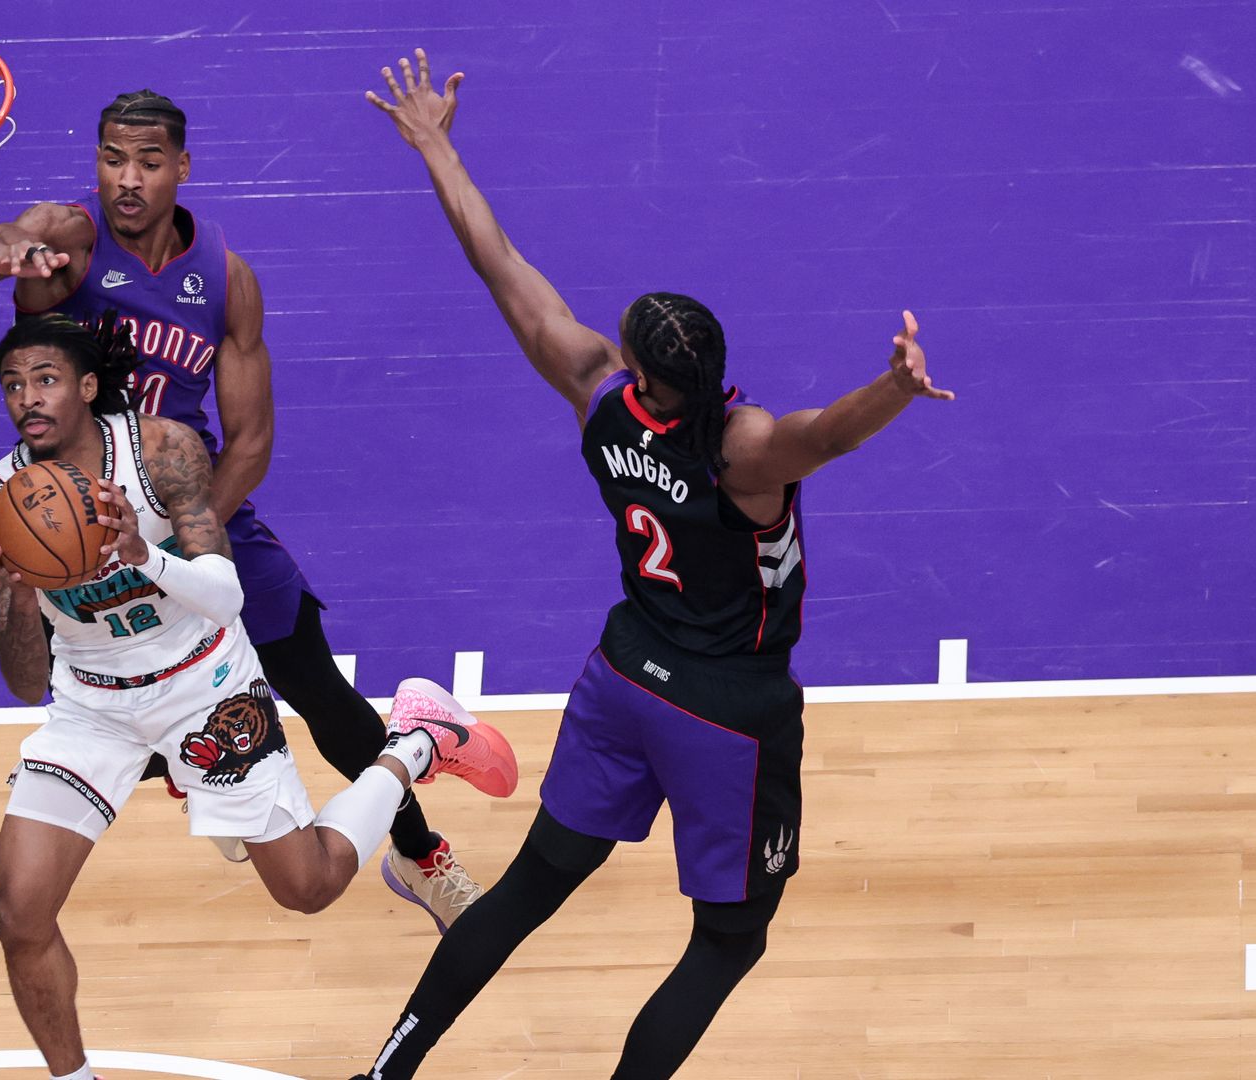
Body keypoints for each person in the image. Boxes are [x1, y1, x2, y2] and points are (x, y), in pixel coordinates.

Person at [350, 51, 956, 1079]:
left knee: (527, 893)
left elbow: (503, 269)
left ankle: (386, 1067)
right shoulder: (743, 450)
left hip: (623, 677)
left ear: (640, 373)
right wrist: (895, 387)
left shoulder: (594, 394)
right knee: (727, 942)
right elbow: (828, 436)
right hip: (728, 709)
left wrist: (437, 147)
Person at [0, 90, 486, 932]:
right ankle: (200, 772)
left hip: (196, 506)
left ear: (182, 168)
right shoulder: (69, 236)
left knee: (318, 689)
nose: (126, 180)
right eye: (111, 160)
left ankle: (422, 857)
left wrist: (176, 541)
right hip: (77, 521)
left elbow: (250, 443)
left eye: (148, 162)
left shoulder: (227, 282)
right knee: (104, 696)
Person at [0, 311, 521, 1080]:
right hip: (92, 707)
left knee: (308, 887)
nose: (29, 397)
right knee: (18, 914)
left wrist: (140, 554)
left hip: (206, 684)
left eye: (47, 379)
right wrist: (22, 597)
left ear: (88, 388)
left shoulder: (162, 453)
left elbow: (224, 596)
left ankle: (414, 740)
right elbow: (24, 682)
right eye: (14, 385)